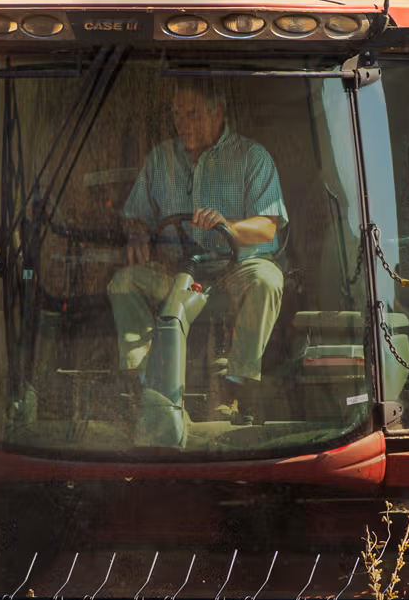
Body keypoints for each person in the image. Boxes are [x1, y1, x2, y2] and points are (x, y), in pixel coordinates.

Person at [109, 80, 287, 421]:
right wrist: (137, 235)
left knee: (267, 280)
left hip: (233, 271)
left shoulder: (252, 157)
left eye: (192, 114)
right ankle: (146, 381)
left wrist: (228, 226)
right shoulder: (160, 159)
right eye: (177, 114)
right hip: (175, 271)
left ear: (217, 113)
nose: (182, 123)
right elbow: (136, 217)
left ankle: (236, 384)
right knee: (124, 281)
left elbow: (267, 226)